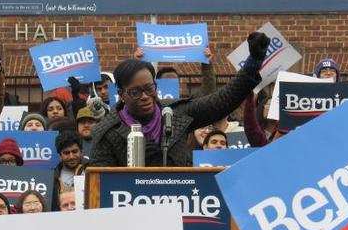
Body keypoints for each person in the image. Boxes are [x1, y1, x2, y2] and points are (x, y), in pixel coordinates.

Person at [90, 31, 270, 167]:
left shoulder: (175, 113)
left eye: (149, 88)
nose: (145, 96)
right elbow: (100, 184)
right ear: (121, 94)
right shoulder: (107, 132)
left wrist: (253, 62)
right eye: (135, 92)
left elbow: (222, 100)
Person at [54, 132, 84, 210]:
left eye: (74, 151)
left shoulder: (92, 171)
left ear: (81, 151)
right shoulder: (53, 176)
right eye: (66, 153)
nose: (71, 156)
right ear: (60, 155)